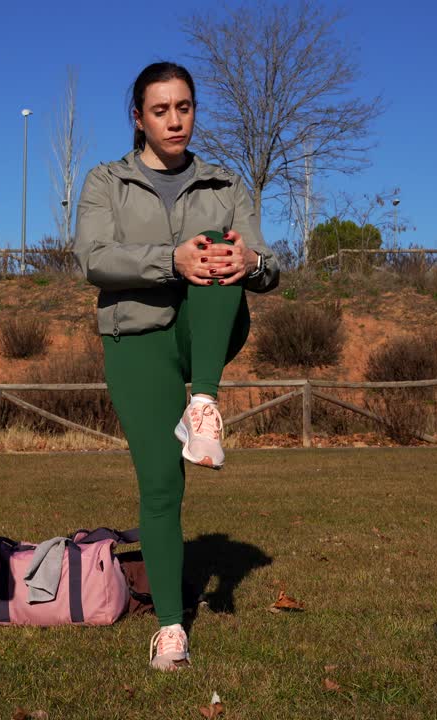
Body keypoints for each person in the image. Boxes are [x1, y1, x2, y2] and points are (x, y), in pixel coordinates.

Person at [74, 61, 279, 671]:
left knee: (220, 247)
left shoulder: (224, 183)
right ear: (138, 118)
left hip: (207, 333)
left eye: (183, 107)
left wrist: (253, 265)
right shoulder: (106, 182)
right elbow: (93, 259)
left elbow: (268, 263)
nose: (174, 120)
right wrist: (171, 260)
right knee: (162, 484)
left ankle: (206, 401)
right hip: (135, 341)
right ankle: (170, 628)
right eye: (160, 110)